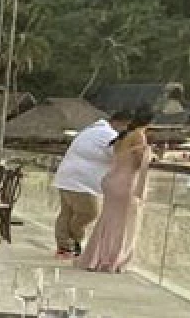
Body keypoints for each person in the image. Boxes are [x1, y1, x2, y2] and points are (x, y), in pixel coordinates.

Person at [78, 111, 153, 273]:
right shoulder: (139, 135)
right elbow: (139, 162)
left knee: (108, 220)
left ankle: (97, 256)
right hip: (125, 183)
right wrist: (151, 156)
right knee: (124, 223)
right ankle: (113, 259)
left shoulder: (121, 137)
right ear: (149, 123)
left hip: (112, 180)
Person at [53, 110, 129, 257]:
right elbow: (118, 155)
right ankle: (73, 240)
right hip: (81, 181)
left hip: (67, 177)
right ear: (121, 123)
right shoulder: (108, 134)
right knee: (89, 212)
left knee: (66, 213)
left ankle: (64, 246)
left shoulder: (91, 130)